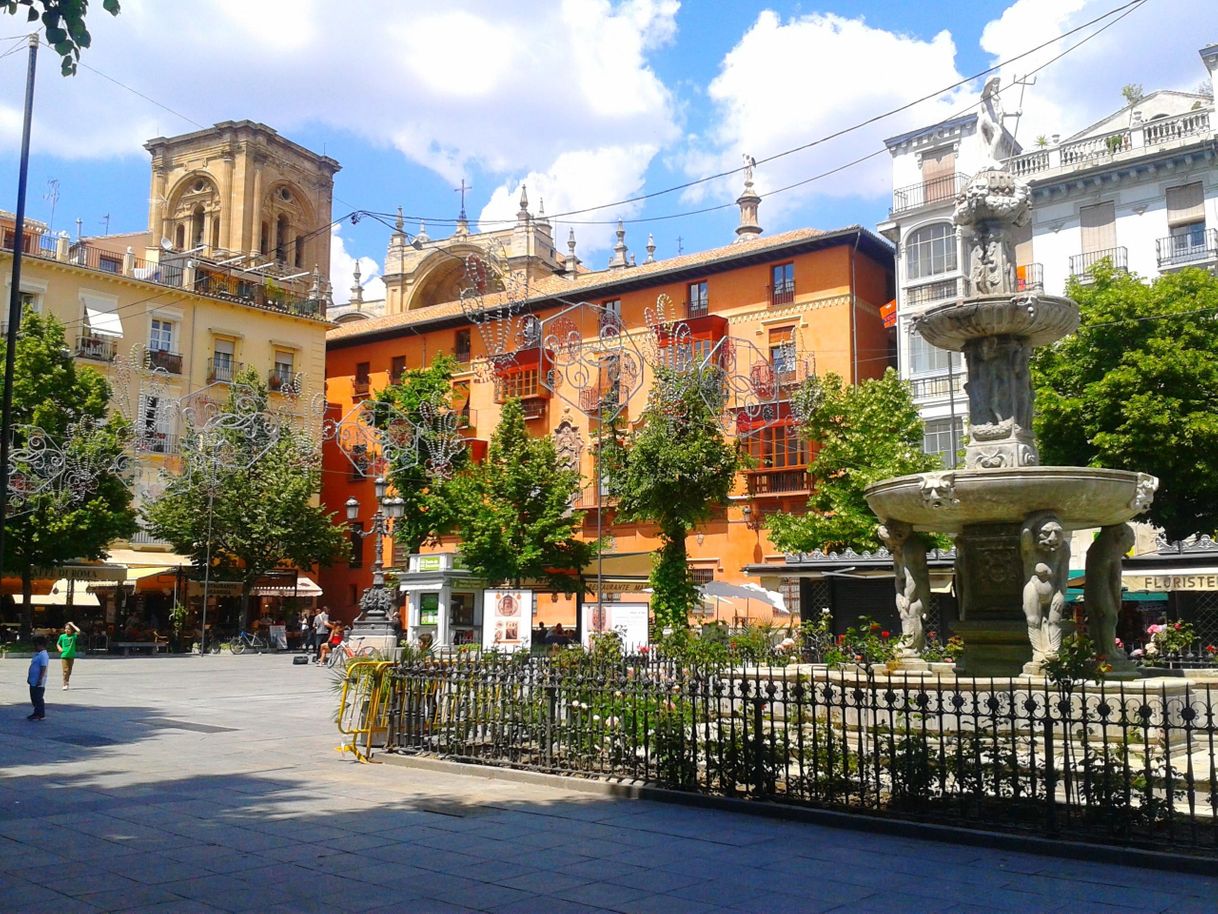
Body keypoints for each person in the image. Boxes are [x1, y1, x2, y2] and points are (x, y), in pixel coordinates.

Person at [27, 635, 49, 721]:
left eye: (36, 645)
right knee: (33, 697)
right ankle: (36, 712)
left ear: (40, 645)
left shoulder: (43, 655)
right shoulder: (38, 654)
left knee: (38, 698)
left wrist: (40, 679)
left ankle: (40, 714)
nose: (35, 647)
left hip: (38, 681)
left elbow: (43, 667)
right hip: (33, 680)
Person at [57, 622, 80, 690]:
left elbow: (78, 631)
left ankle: (67, 682)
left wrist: (72, 624)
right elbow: (58, 644)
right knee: (65, 670)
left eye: (69, 629)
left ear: (72, 630)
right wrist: (59, 648)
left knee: (69, 671)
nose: (67, 630)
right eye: (66, 629)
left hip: (71, 656)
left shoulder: (73, 636)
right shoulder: (62, 636)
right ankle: (65, 683)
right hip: (64, 655)